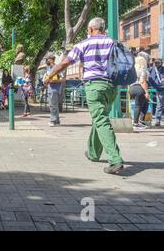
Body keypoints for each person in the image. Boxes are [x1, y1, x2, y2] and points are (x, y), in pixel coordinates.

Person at [44, 17, 124, 174]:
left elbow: (65, 62)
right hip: (112, 86)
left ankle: (115, 160)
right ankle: (93, 153)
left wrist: (49, 75)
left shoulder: (84, 44)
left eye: (88, 29)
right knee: (100, 118)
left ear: (91, 29)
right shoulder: (114, 43)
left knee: (100, 120)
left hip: (94, 85)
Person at [129, 52, 150, 131]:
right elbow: (143, 81)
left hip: (131, 88)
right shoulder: (143, 70)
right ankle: (135, 123)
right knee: (138, 105)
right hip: (139, 88)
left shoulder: (133, 69)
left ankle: (140, 121)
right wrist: (146, 92)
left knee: (144, 103)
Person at [44, 54, 65, 126]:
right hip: (50, 89)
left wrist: (53, 81)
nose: (47, 61)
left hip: (55, 90)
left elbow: (62, 79)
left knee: (53, 105)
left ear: (52, 60)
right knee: (53, 105)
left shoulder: (57, 68)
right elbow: (47, 78)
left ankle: (53, 121)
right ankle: (57, 121)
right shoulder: (48, 68)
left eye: (48, 59)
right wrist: (45, 82)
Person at [148, 58, 164, 126]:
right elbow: (149, 78)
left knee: (159, 105)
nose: (157, 64)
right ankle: (157, 121)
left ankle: (158, 120)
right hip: (159, 89)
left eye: (158, 62)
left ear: (161, 63)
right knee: (159, 105)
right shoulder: (152, 69)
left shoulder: (163, 69)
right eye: (156, 62)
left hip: (161, 88)